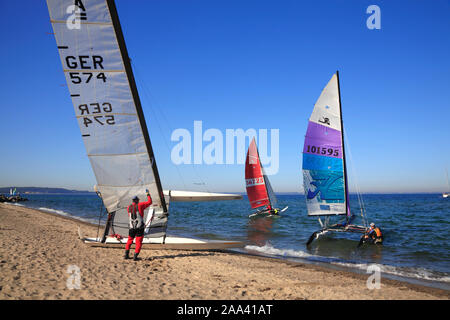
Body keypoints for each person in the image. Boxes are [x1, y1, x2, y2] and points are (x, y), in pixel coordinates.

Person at [124, 190, 152, 261]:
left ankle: (126, 255)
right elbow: (150, 202)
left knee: (129, 240)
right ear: (137, 200)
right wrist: (148, 194)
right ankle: (135, 257)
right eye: (138, 200)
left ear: (133, 201)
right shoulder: (140, 205)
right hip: (139, 227)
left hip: (131, 227)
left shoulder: (128, 207)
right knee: (138, 242)